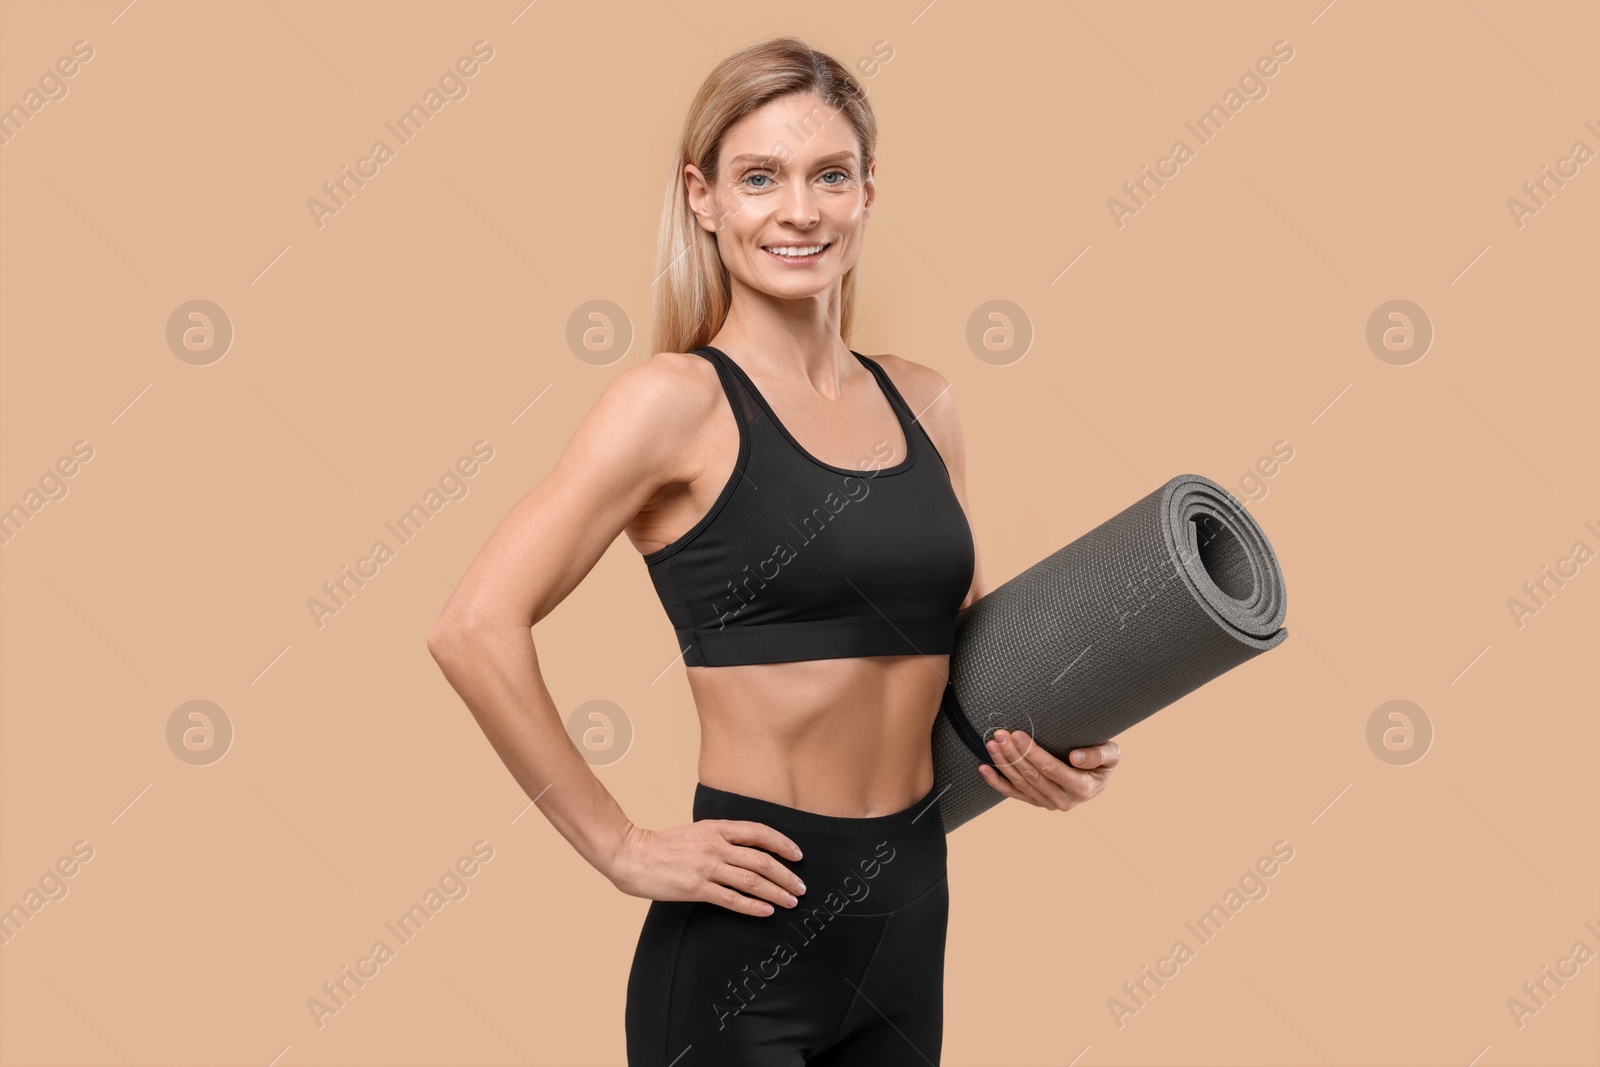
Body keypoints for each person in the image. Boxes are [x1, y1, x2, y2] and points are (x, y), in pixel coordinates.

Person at [427, 35, 1121, 1067]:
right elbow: (471, 628)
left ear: (867, 193)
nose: (799, 211)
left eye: (828, 176)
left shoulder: (924, 400)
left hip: (906, 916)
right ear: (703, 198)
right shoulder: (673, 404)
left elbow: (964, 656)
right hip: (745, 939)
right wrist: (619, 844)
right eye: (760, 178)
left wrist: (1050, 747)